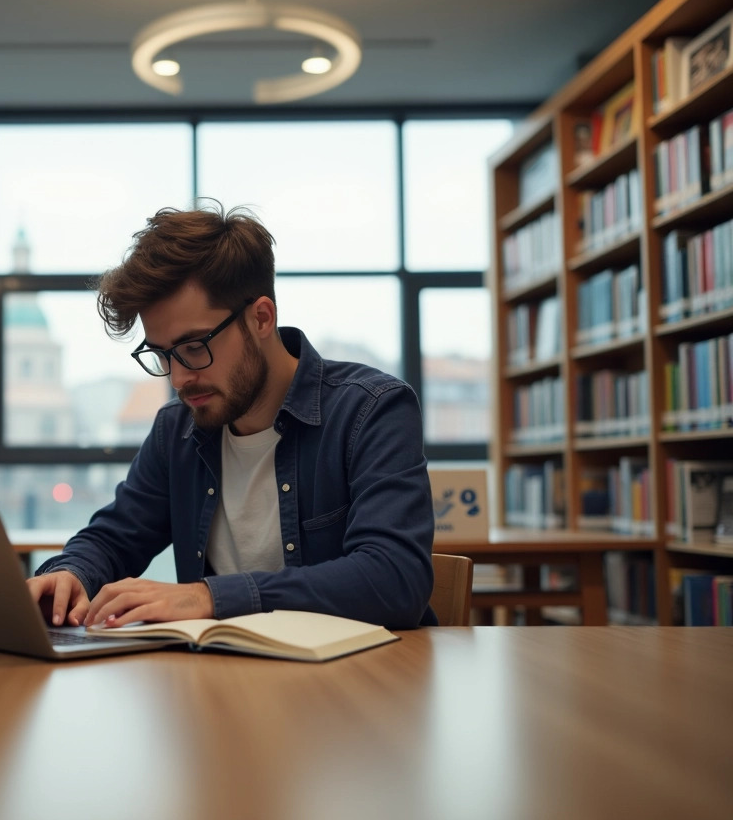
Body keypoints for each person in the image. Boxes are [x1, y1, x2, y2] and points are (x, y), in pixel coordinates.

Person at [26, 201, 436, 630]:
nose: (179, 377)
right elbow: (113, 537)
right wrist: (69, 573)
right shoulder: (176, 429)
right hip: (221, 681)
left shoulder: (371, 409)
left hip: (359, 683)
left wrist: (210, 597)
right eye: (162, 354)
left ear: (261, 318)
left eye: (194, 347)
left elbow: (394, 579)